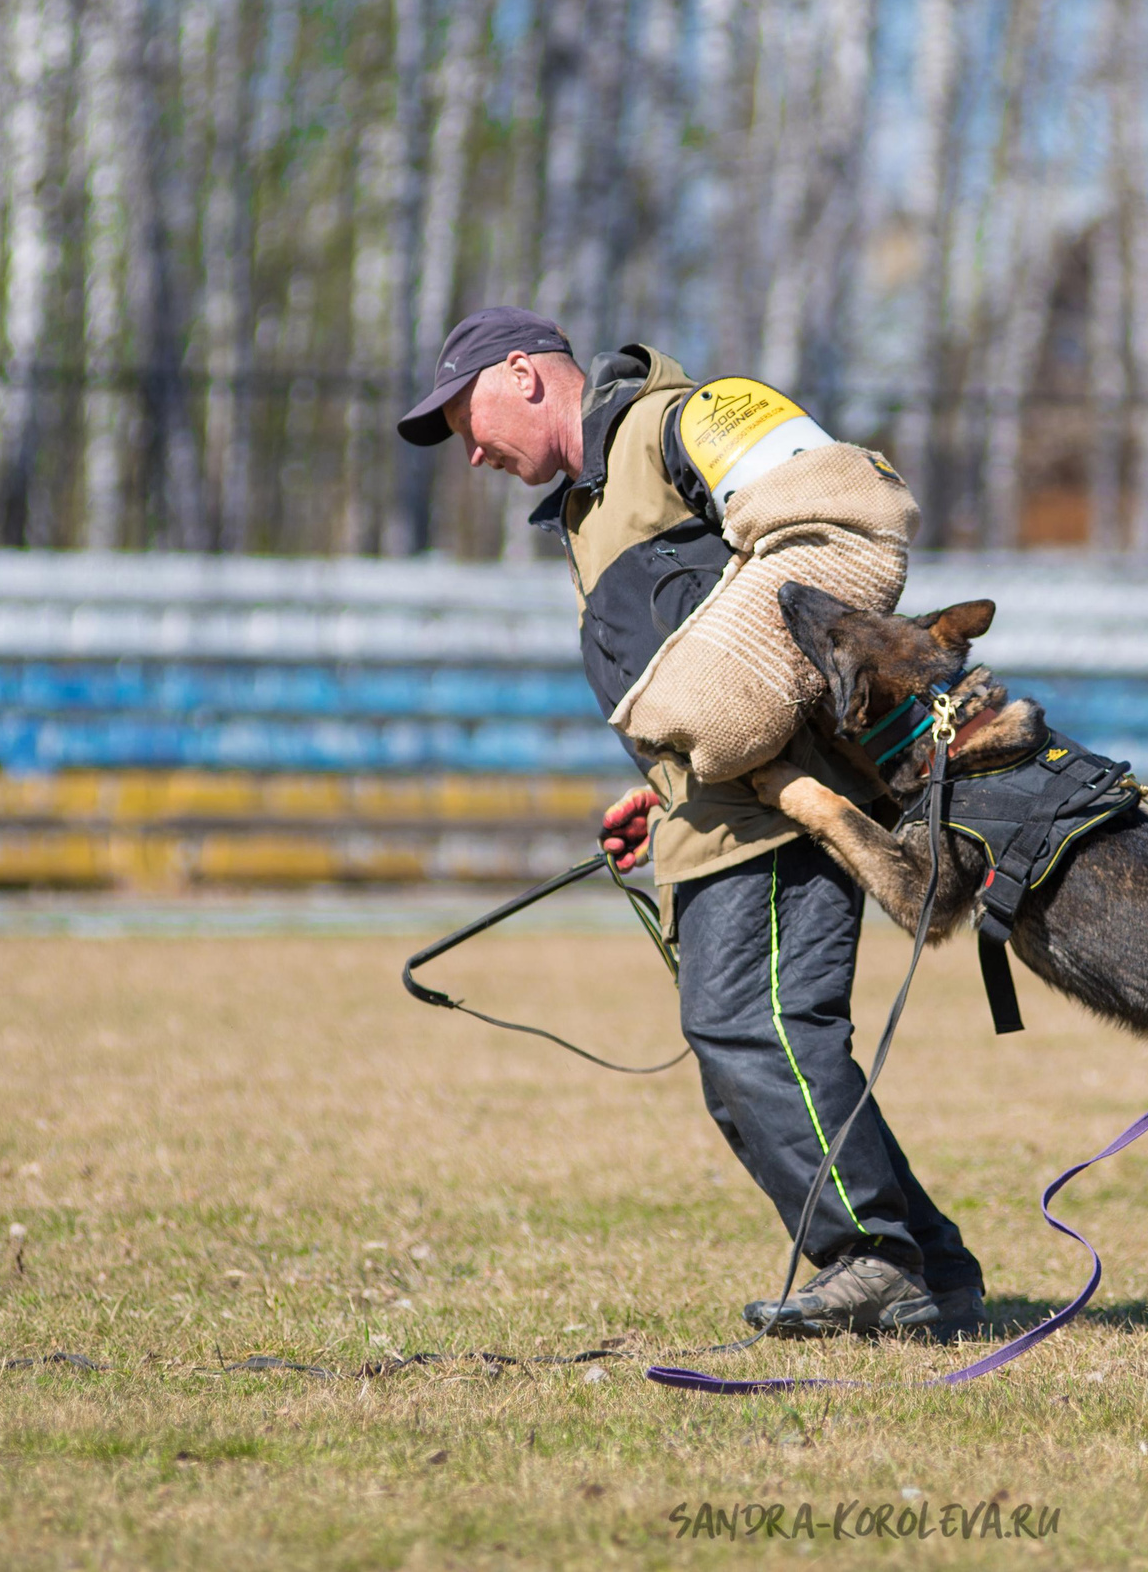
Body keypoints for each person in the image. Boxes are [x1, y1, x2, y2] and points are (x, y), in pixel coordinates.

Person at [397, 307, 984, 1341]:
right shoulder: (588, 508)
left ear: (524, 374)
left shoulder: (678, 422)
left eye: (464, 416)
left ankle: (875, 1258)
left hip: (784, 810)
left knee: (758, 1029)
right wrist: (663, 786)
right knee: (745, 1050)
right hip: (710, 814)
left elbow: (836, 528)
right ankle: (928, 1265)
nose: (469, 450)